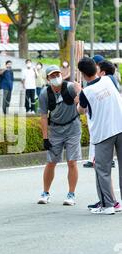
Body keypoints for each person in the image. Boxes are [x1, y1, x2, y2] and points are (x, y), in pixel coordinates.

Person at [77, 57, 122, 215]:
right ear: (96, 69)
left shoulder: (86, 92)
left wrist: (78, 92)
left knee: (102, 170)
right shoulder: (109, 80)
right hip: (120, 126)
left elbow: (80, 110)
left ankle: (107, 205)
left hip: (103, 134)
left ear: (82, 74)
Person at [38, 65, 81, 206]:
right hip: (55, 130)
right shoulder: (45, 94)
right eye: (52, 75)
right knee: (51, 162)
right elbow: (43, 117)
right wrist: (45, 138)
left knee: (72, 162)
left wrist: (79, 93)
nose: (56, 77)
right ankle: (45, 193)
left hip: (73, 128)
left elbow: (82, 102)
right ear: (48, 79)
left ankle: (71, 194)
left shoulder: (70, 87)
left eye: (57, 74)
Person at [83, 57, 116, 168]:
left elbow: (80, 108)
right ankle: (96, 159)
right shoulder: (106, 81)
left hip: (101, 115)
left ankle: (97, 160)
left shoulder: (108, 79)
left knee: (99, 137)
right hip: (105, 115)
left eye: (97, 67)